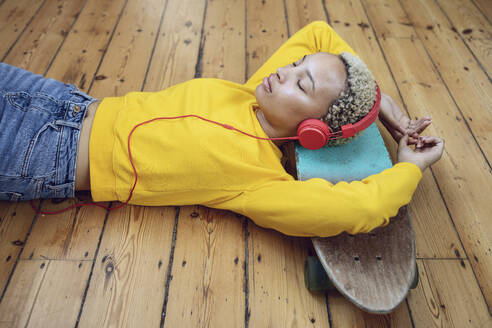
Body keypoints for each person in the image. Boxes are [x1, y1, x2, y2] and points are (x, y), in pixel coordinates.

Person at [0, 21, 443, 237]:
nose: (285, 72)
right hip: (62, 100)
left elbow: (355, 211)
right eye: (294, 66)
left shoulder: (256, 182)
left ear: (313, 132)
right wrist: (383, 105)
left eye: (302, 82)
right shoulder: (252, 93)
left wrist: (409, 167)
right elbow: (320, 35)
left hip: (45, 150)